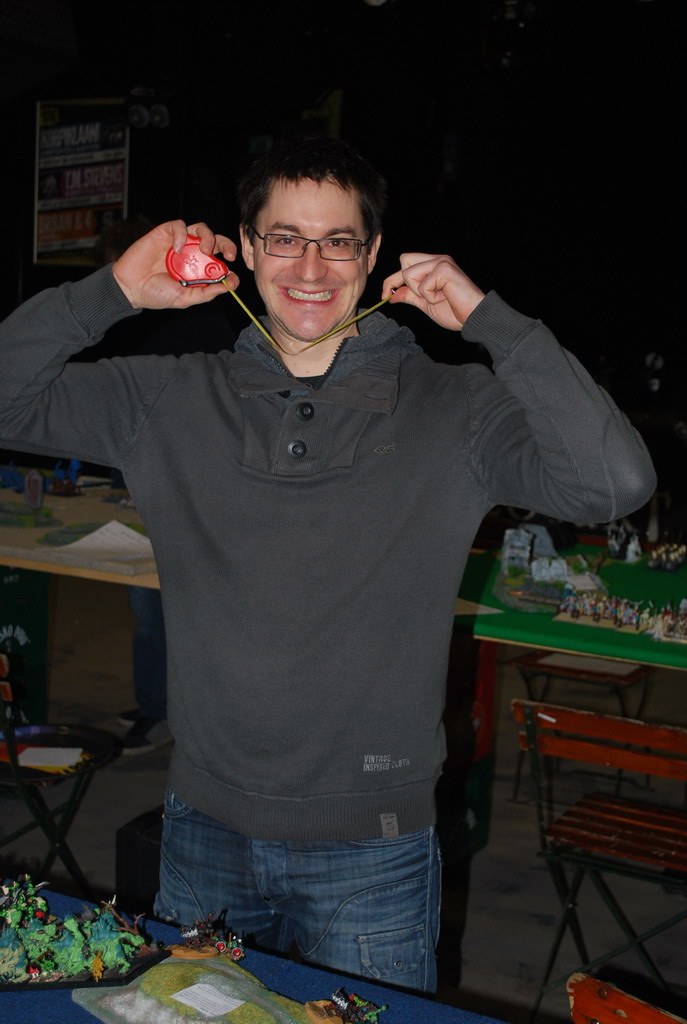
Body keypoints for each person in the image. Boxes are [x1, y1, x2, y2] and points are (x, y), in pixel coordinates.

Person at [0, 134, 656, 993]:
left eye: (337, 241)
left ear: (372, 253)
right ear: (245, 245)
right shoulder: (162, 396)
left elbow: (613, 483)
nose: (310, 267)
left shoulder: (455, 408)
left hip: (372, 848)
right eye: (284, 238)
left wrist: (493, 325)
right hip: (202, 828)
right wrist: (112, 292)